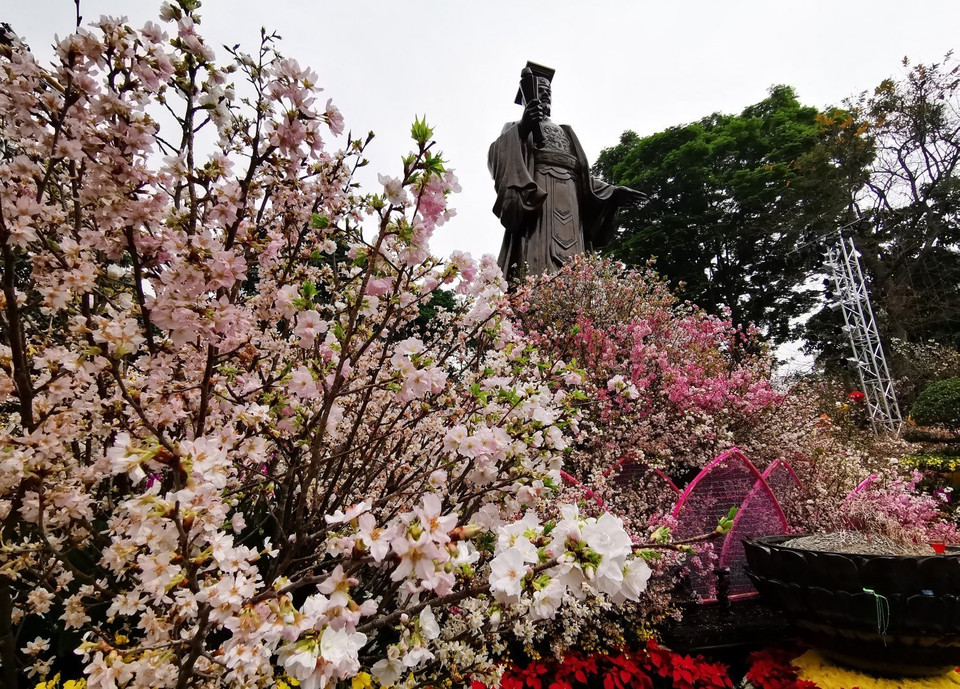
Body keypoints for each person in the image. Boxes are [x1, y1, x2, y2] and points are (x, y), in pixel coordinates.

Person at [488, 62, 645, 283]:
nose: (545, 96)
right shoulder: (514, 128)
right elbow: (499, 153)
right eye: (540, 92)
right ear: (526, 99)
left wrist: (611, 192)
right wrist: (524, 127)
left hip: (572, 202)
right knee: (537, 264)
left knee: (577, 269)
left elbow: (583, 179)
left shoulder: (566, 132)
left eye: (548, 93)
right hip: (539, 200)